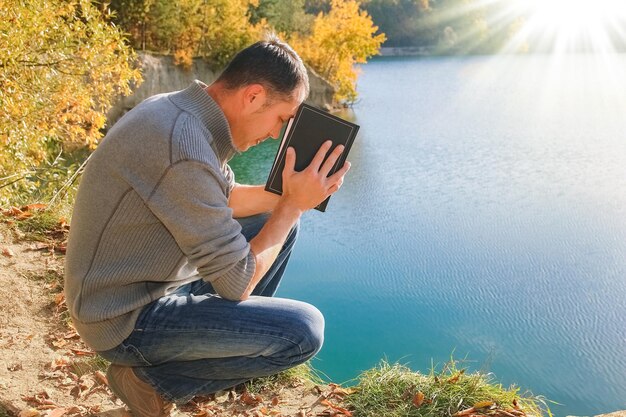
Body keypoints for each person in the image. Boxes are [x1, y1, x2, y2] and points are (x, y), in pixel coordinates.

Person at [64, 35, 351, 417]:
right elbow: (238, 283)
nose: (277, 134)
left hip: (138, 287)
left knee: (276, 223)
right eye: (282, 119)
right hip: (121, 319)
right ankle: (154, 384)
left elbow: (227, 197)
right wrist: (292, 208)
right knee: (303, 332)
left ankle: (227, 340)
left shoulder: (182, 114)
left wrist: (291, 193)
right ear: (252, 96)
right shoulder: (182, 146)